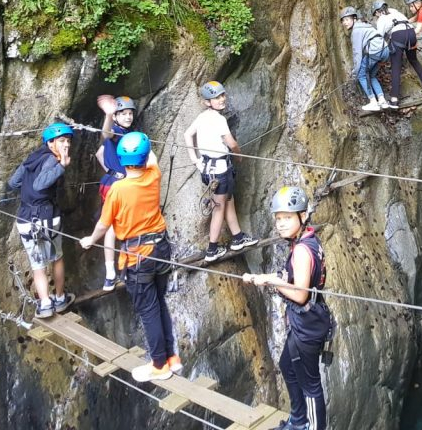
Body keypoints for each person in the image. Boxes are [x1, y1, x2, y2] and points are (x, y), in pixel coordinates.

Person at [80, 132, 182, 382]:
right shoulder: (153, 176)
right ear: (145, 157)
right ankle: (172, 358)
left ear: (122, 160)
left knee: (149, 311)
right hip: (161, 249)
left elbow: (104, 226)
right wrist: (140, 140)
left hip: (139, 256)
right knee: (159, 303)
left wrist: (90, 240)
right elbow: (153, 159)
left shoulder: (118, 189)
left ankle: (159, 365)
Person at [242, 187, 332, 430]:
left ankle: (311, 427)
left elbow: (301, 295)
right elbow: (288, 275)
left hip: (307, 324)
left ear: (302, 216)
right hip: (306, 320)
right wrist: (262, 276)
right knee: (287, 365)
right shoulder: (306, 240)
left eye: (287, 218)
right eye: (278, 218)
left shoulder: (302, 250)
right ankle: (298, 420)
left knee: (311, 385)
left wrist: (270, 282)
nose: (280, 224)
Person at [183, 81, 258, 261]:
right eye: (217, 97)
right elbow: (231, 143)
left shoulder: (202, 117)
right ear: (208, 102)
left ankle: (238, 237)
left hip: (210, 169)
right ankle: (212, 249)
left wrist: (196, 160)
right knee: (219, 207)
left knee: (228, 201)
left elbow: (188, 135)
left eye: (222, 95)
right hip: (220, 171)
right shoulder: (219, 119)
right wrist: (238, 155)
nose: (222, 99)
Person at [8, 122, 76, 319]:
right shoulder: (52, 161)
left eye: (68, 141)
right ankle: (60, 298)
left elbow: (13, 183)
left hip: (25, 218)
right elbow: (40, 185)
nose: (66, 145)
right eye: (62, 140)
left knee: (37, 263)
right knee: (56, 258)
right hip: (46, 217)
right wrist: (62, 165)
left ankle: (45, 304)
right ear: (51, 143)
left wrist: (26, 189)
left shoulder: (31, 159)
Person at [94, 95, 137, 291]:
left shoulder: (130, 133)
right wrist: (109, 115)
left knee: (119, 226)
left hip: (118, 182)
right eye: (124, 113)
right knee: (113, 228)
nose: (128, 117)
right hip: (117, 186)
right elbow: (106, 134)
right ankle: (114, 272)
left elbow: (99, 154)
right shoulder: (116, 130)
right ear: (117, 116)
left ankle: (116, 271)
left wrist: (111, 170)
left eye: (130, 113)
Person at [372, 0, 422, 106]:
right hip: (411, 32)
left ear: (377, 11)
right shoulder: (395, 11)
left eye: (375, 13)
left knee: (396, 67)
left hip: (398, 35)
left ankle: (394, 99)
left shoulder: (381, 18)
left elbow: (380, 36)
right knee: (414, 60)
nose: (376, 15)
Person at [340, 5, 391, 112]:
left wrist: (355, 71)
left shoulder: (356, 31)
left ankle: (373, 102)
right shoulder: (365, 25)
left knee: (361, 75)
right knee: (371, 75)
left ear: (354, 18)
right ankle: (382, 100)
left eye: (347, 19)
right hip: (385, 50)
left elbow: (357, 53)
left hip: (375, 51)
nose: (345, 23)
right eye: (343, 20)